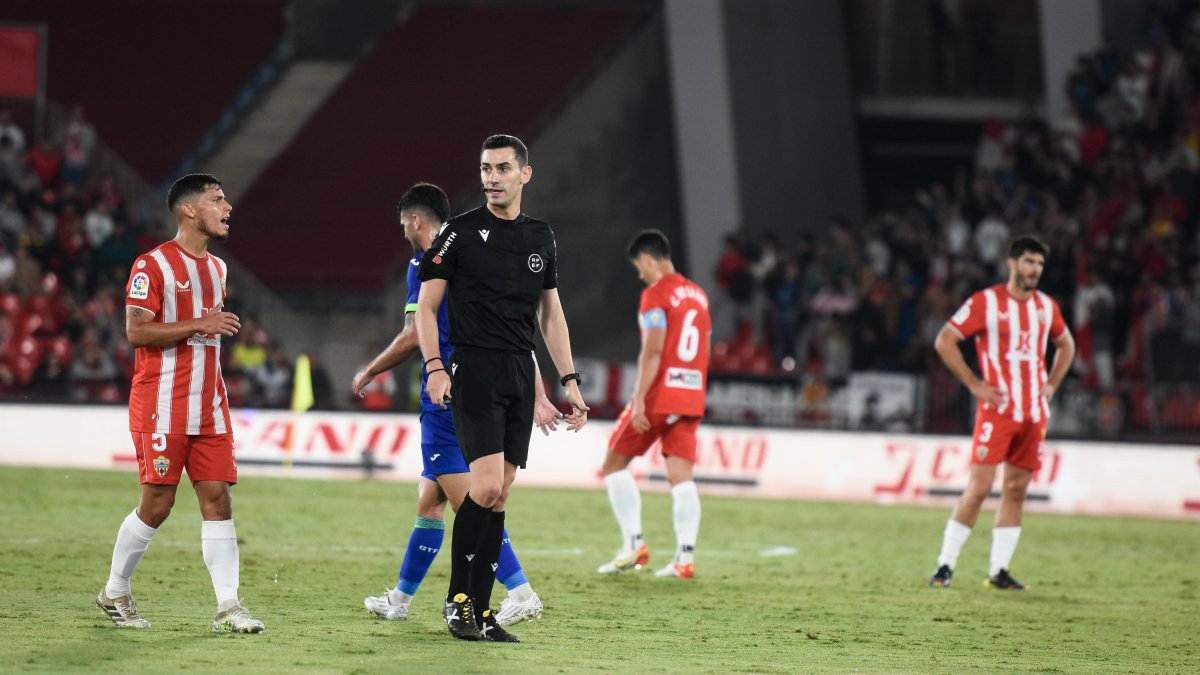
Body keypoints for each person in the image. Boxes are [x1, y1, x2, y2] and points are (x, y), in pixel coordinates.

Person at [353, 182, 555, 627]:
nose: (403, 229)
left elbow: (411, 334)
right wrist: (538, 391)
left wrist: (370, 370)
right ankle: (400, 601)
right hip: (483, 386)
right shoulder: (472, 254)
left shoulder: (425, 263)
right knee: (431, 502)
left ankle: (521, 591)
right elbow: (515, 331)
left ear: (416, 220)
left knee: (473, 504)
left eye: (403, 222)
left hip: (446, 398)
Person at [416, 134, 589, 642]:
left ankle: (484, 611)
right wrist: (434, 368)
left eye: (502, 168)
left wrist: (569, 381)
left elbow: (550, 313)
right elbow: (426, 308)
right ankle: (458, 600)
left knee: (501, 496)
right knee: (485, 487)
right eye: (486, 168)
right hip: (475, 369)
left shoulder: (541, 236)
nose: (491, 177)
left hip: (520, 369)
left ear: (524, 175)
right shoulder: (459, 233)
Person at [96, 173, 264, 633]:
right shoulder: (153, 266)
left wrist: (204, 325)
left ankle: (229, 607)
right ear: (189, 210)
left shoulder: (219, 268)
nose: (227, 207)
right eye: (217, 199)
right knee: (157, 505)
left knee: (218, 500)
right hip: (160, 403)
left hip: (209, 404)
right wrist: (199, 323)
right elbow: (136, 332)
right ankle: (114, 591)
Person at [928, 235, 1075, 590]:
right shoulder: (986, 302)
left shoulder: (1045, 306)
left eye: (1039, 264)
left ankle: (998, 570)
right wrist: (975, 385)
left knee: (1016, 490)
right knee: (978, 489)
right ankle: (945, 565)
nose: (1034, 269)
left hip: (1033, 413)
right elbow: (945, 340)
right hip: (998, 413)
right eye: (1028, 262)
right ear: (1012, 264)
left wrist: (1052, 383)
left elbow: (1066, 344)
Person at [597, 229, 711, 580]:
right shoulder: (699, 296)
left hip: (661, 394)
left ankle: (634, 545)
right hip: (691, 394)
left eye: (639, 266)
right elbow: (703, 348)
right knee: (682, 478)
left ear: (648, 259)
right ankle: (684, 559)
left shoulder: (655, 294)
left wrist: (640, 397)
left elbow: (655, 349)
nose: (640, 274)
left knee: (613, 464)